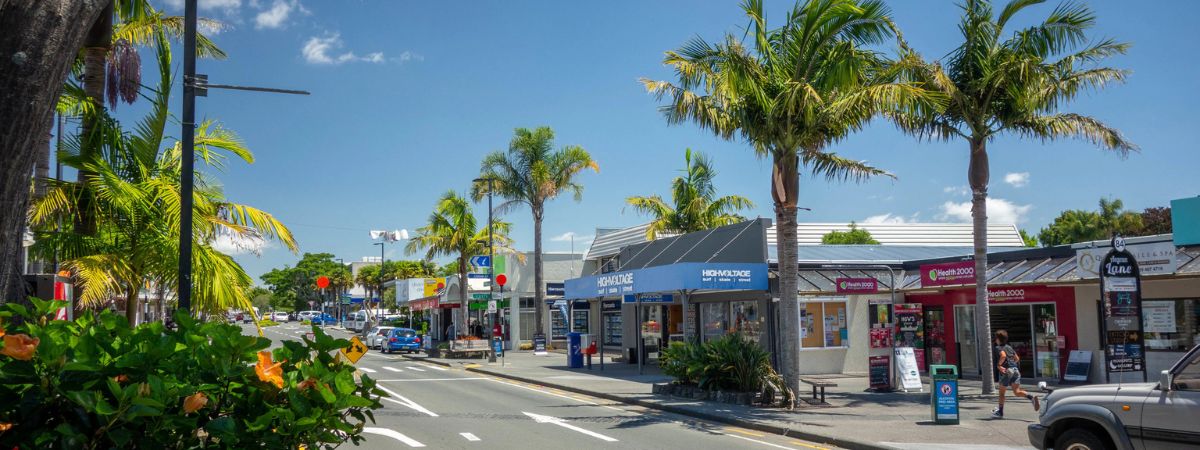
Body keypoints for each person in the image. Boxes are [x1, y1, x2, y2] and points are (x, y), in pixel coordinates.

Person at [992, 330, 1039, 418]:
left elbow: (1003, 356)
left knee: (1002, 393)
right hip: (1015, 370)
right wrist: (1012, 365)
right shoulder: (1009, 347)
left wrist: (999, 365)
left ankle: (1000, 412)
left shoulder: (998, 348)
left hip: (1007, 371)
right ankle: (1031, 397)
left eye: (996, 338)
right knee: (1017, 392)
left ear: (998, 339)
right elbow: (1017, 358)